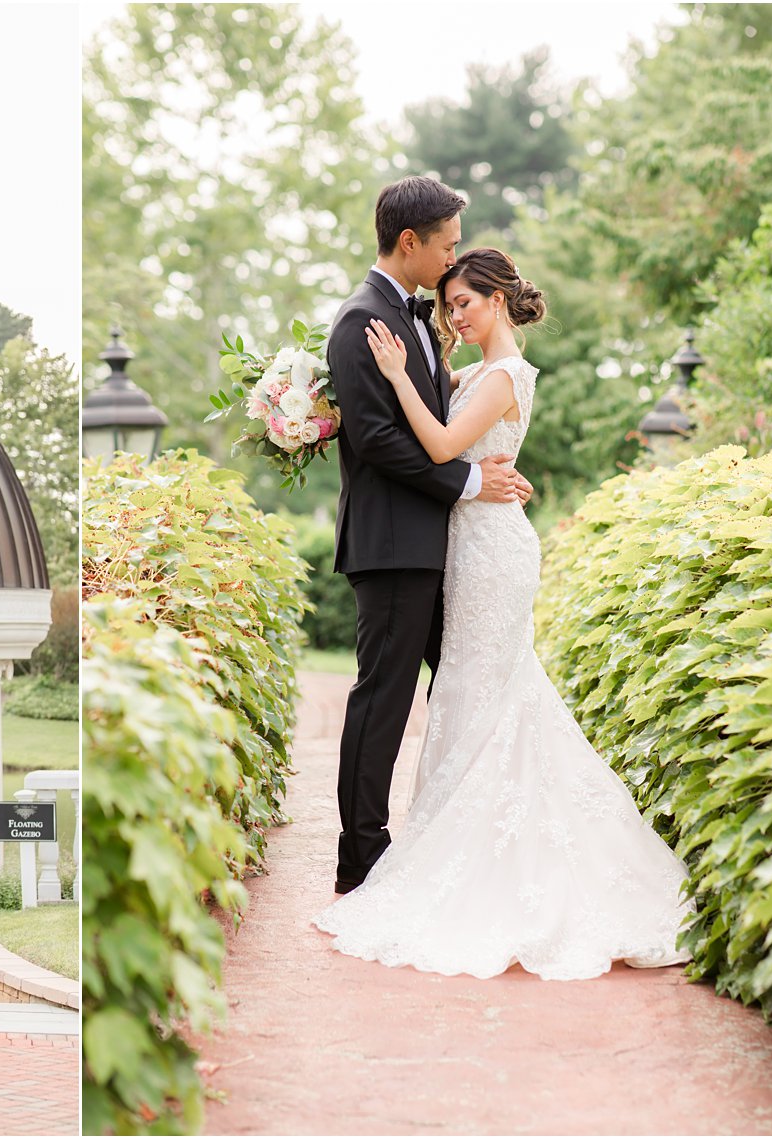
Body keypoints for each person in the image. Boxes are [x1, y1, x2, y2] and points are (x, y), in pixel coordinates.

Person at [312, 248, 691, 979]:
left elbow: (444, 441)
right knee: (467, 693)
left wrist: (397, 376)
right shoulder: (475, 372)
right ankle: (464, 842)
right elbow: (423, 408)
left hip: (493, 554)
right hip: (468, 544)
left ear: (499, 299)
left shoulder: (507, 376)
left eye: (466, 302)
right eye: (449, 303)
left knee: (486, 693)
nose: (455, 314)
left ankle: (495, 860)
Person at [323, 176, 532, 897]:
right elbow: (379, 439)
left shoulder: (410, 316)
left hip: (438, 545)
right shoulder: (361, 321)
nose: (451, 261)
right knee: (382, 698)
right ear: (409, 242)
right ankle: (363, 859)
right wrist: (471, 485)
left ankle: (465, 835)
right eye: (445, 246)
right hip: (390, 544)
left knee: (466, 686)